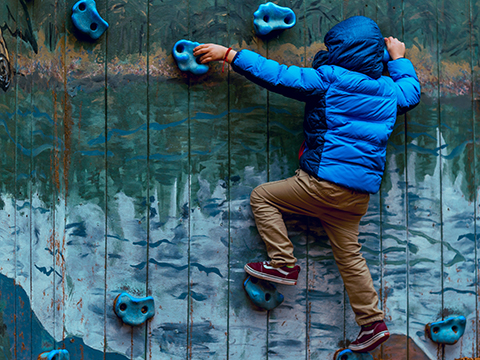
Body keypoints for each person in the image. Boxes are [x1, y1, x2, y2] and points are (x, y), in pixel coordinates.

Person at [194, 16, 420, 353]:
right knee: (350, 257)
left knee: (263, 197)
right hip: (357, 197)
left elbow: (278, 75)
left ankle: (283, 263)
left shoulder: (329, 79)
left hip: (321, 184)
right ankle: (372, 323)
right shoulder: (390, 90)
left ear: (339, 51)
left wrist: (229, 54)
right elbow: (411, 93)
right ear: (376, 55)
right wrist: (399, 59)